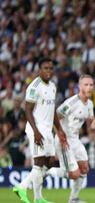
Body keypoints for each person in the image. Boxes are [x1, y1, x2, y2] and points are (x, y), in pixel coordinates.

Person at [13, 57, 69, 203]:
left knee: (49, 163)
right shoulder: (34, 86)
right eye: (46, 68)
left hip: (48, 130)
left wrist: (60, 130)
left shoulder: (52, 86)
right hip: (36, 129)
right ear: (39, 70)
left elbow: (52, 111)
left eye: (51, 68)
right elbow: (27, 109)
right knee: (39, 163)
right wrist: (36, 131)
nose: (49, 71)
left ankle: (30, 192)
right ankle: (27, 191)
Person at [46, 75, 95, 203]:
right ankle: (44, 172)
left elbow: (91, 121)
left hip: (75, 140)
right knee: (74, 174)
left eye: (91, 84)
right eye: (86, 84)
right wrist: (60, 134)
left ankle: (73, 199)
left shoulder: (89, 104)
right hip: (64, 140)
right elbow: (54, 116)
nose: (89, 87)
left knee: (84, 168)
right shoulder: (71, 103)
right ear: (79, 86)